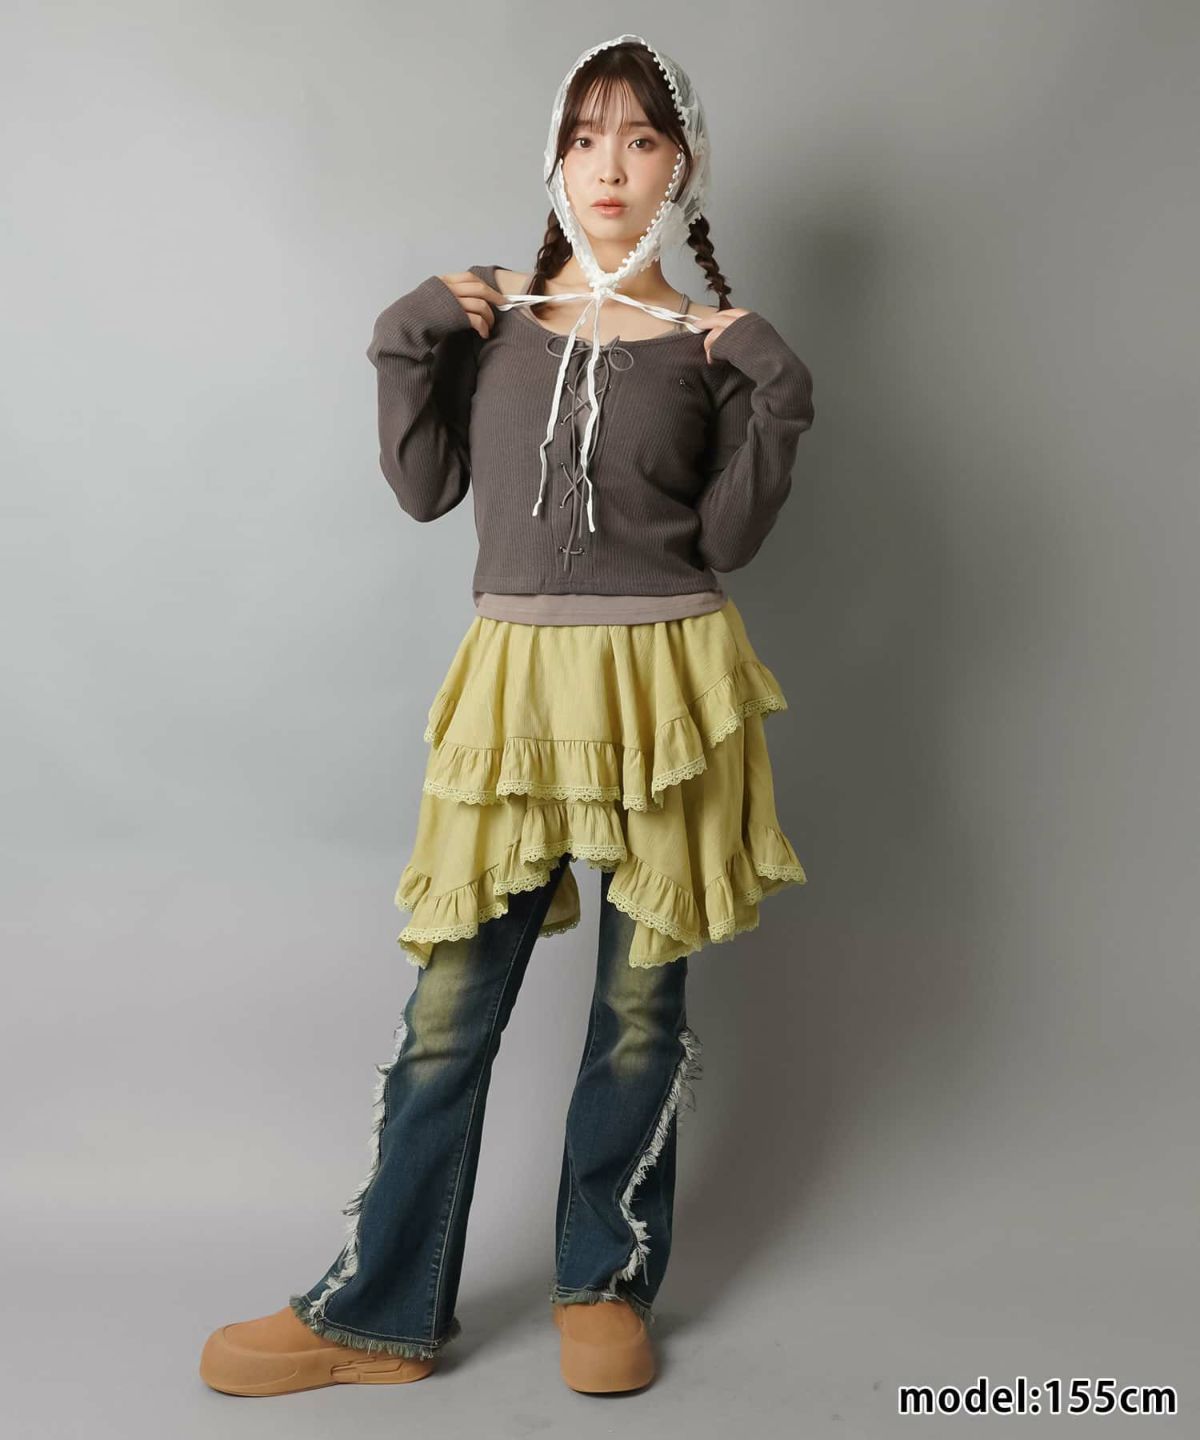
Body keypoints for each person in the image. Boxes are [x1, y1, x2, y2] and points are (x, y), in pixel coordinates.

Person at [199, 32, 815, 1399]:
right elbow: (425, 490)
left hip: (668, 685)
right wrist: (409, 330)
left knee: (641, 1012)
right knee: (449, 1009)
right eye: (587, 137)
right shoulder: (497, 334)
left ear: (684, 168)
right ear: (554, 158)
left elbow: (727, 538)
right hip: (519, 688)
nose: (611, 165)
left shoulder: (705, 350)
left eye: (641, 139)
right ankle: (380, 1310)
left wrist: (776, 382)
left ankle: (605, 1283)